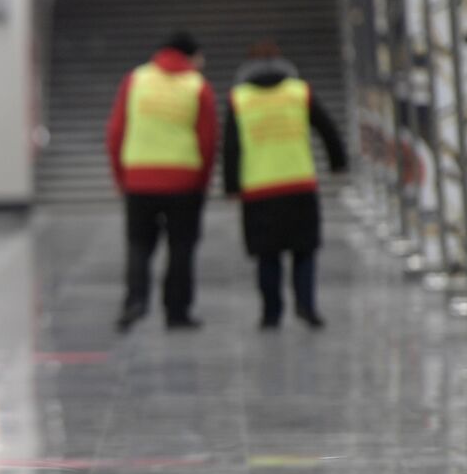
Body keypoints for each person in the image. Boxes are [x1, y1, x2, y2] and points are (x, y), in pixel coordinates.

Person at [223, 40, 346, 329]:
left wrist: (231, 186)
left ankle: (271, 313)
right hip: (298, 184)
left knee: (268, 256)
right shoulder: (298, 92)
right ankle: (306, 305)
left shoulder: (239, 98)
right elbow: (327, 127)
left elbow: (231, 147)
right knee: (304, 251)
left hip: (259, 189)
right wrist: (337, 162)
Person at [106, 31, 219, 331]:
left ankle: (136, 301)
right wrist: (203, 180)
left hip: (139, 178)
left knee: (139, 245)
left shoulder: (136, 80)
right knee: (182, 247)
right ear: (190, 56)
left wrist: (121, 176)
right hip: (184, 180)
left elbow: (116, 131)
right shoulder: (198, 86)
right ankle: (177, 311)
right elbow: (208, 141)